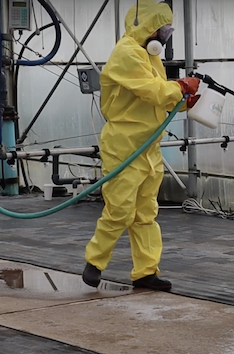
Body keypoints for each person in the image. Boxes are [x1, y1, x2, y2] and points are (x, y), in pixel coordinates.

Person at [82, 0, 200, 291]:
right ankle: (95, 262)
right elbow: (153, 91)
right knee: (120, 210)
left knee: (146, 213)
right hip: (124, 145)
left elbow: (155, 100)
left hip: (148, 147)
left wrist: (184, 102)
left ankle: (146, 272)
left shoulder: (151, 58)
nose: (165, 36)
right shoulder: (127, 53)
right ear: (147, 26)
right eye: (163, 29)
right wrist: (180, 87)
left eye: (169, 31)